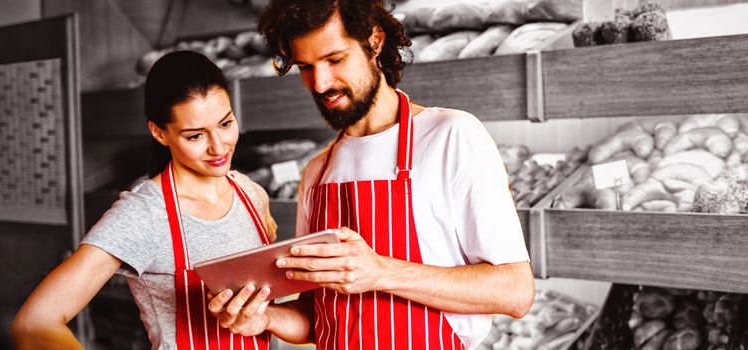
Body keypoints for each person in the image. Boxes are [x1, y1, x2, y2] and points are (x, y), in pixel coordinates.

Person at [209, 0, 535, 348]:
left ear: (375, 41)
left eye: (335, 60)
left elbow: (515, 291)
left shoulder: (451, 136)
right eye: (305, 66)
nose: (319, 83)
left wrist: (379, 272)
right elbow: (319, 317)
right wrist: (264, 319)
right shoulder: (318, 172)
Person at [11, 51, 278, 349]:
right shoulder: (144, 213)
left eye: (226, 124)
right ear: (160, 133)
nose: (219, 146)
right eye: (195, 136)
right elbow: (34, 323)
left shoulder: (251, 192)